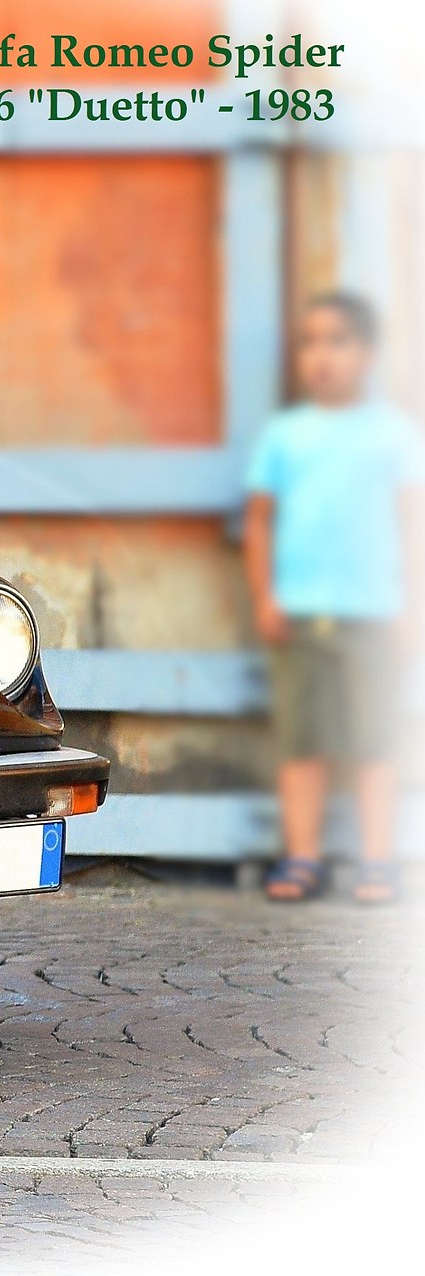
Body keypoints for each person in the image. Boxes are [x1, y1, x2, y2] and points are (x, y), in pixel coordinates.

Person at [246, 291, 423, 905]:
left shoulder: (394, 434)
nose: (322, 356)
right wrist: (267, 597)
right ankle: (303, 857)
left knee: (374, 739)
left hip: (374, 613)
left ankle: (378, 859)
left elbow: (410, 522)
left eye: (338, 341)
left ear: (367, 353)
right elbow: (262, 520)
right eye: (311, 342)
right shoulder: (286, 436)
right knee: (304, 741)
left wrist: (410, 604)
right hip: (299, 614)